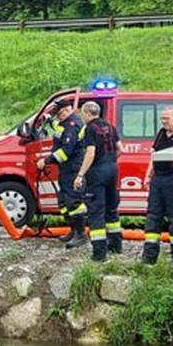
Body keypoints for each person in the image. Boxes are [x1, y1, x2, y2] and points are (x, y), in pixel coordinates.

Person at [141, 107, 173, 265]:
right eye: (162, 119)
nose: (164, 122)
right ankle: (149, 259)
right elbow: (154, 155)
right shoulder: (161, 133)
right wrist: (148, 175)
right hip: (158, 179)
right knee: (152, 218)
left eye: (167, 119)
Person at [72, 101, 122, 261]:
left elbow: (90, 152)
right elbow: (121, 148)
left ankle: (99, 253)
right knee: (111, 209)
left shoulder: (89, 129)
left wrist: (80, 174)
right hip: (112, 169)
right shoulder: (110, 126)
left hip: (97, 172)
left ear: (87, 113)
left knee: (96, 212)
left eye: (82, 114)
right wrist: (111, 160)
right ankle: (115, 245)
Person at [36, 101, 87, 245]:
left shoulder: (72, 125)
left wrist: (46, 161)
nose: (58, 118)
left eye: (59, 114)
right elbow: (58, 140)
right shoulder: (65, 124)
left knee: (74, 202)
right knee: (64, 201)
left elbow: (65, 152)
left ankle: (81, 234)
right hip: (66, 169)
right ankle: (73, 230)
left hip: (73, 168)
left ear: (67, 110)